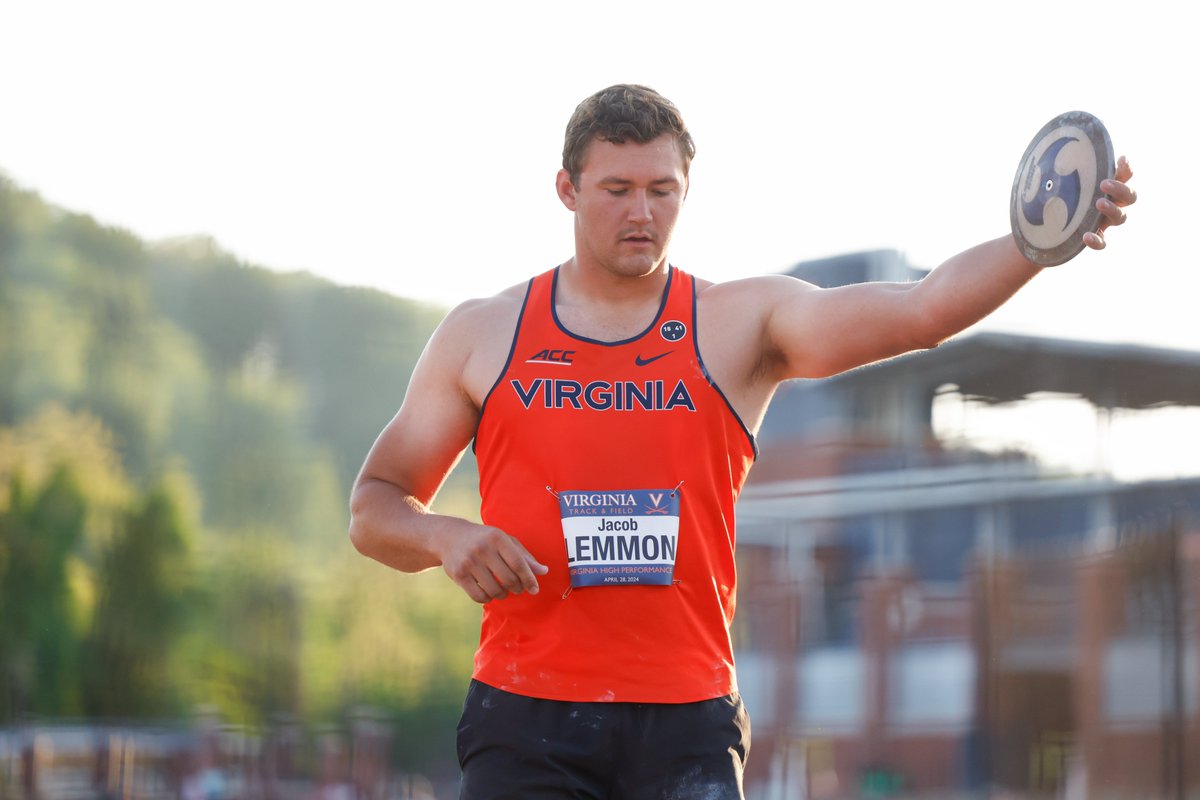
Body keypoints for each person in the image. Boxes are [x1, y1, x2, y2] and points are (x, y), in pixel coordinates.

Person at [348, 84, 1136, 799]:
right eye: (617, 190)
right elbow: (375, 505)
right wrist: (444, 535)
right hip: (528, 717)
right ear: (567, 190)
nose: (641, 213)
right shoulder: (484, 334)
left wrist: (1038, 241)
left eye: (662, 191)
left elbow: (921, 309)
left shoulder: (738, 323)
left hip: (686, 722)